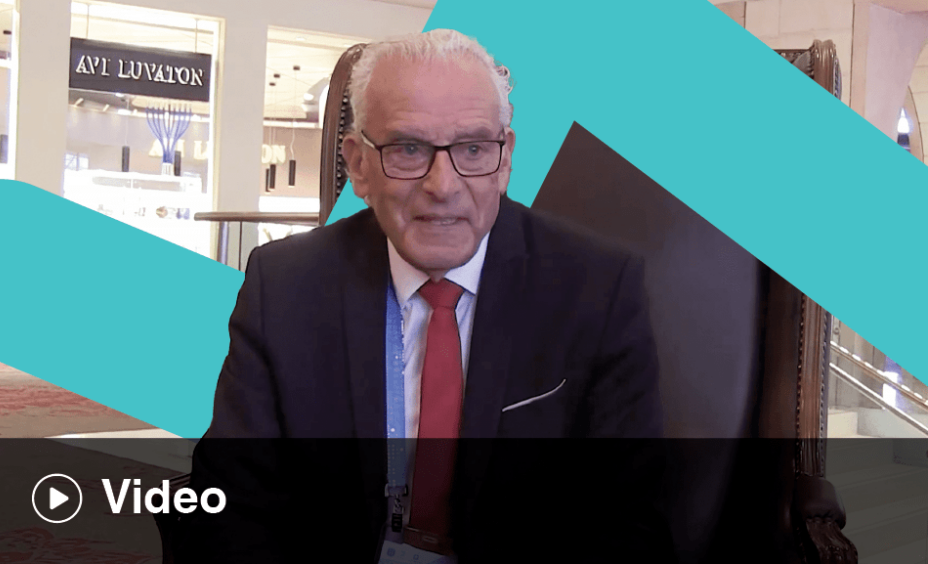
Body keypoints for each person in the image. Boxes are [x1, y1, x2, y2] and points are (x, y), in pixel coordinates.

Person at [176, 29, 676, 563]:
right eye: (409, 149)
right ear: (359, 165)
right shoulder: (284, 285)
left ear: (505, 160)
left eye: (473, 149)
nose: (443, 185)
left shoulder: (597, 288)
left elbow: (631, 519)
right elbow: (229, 501)